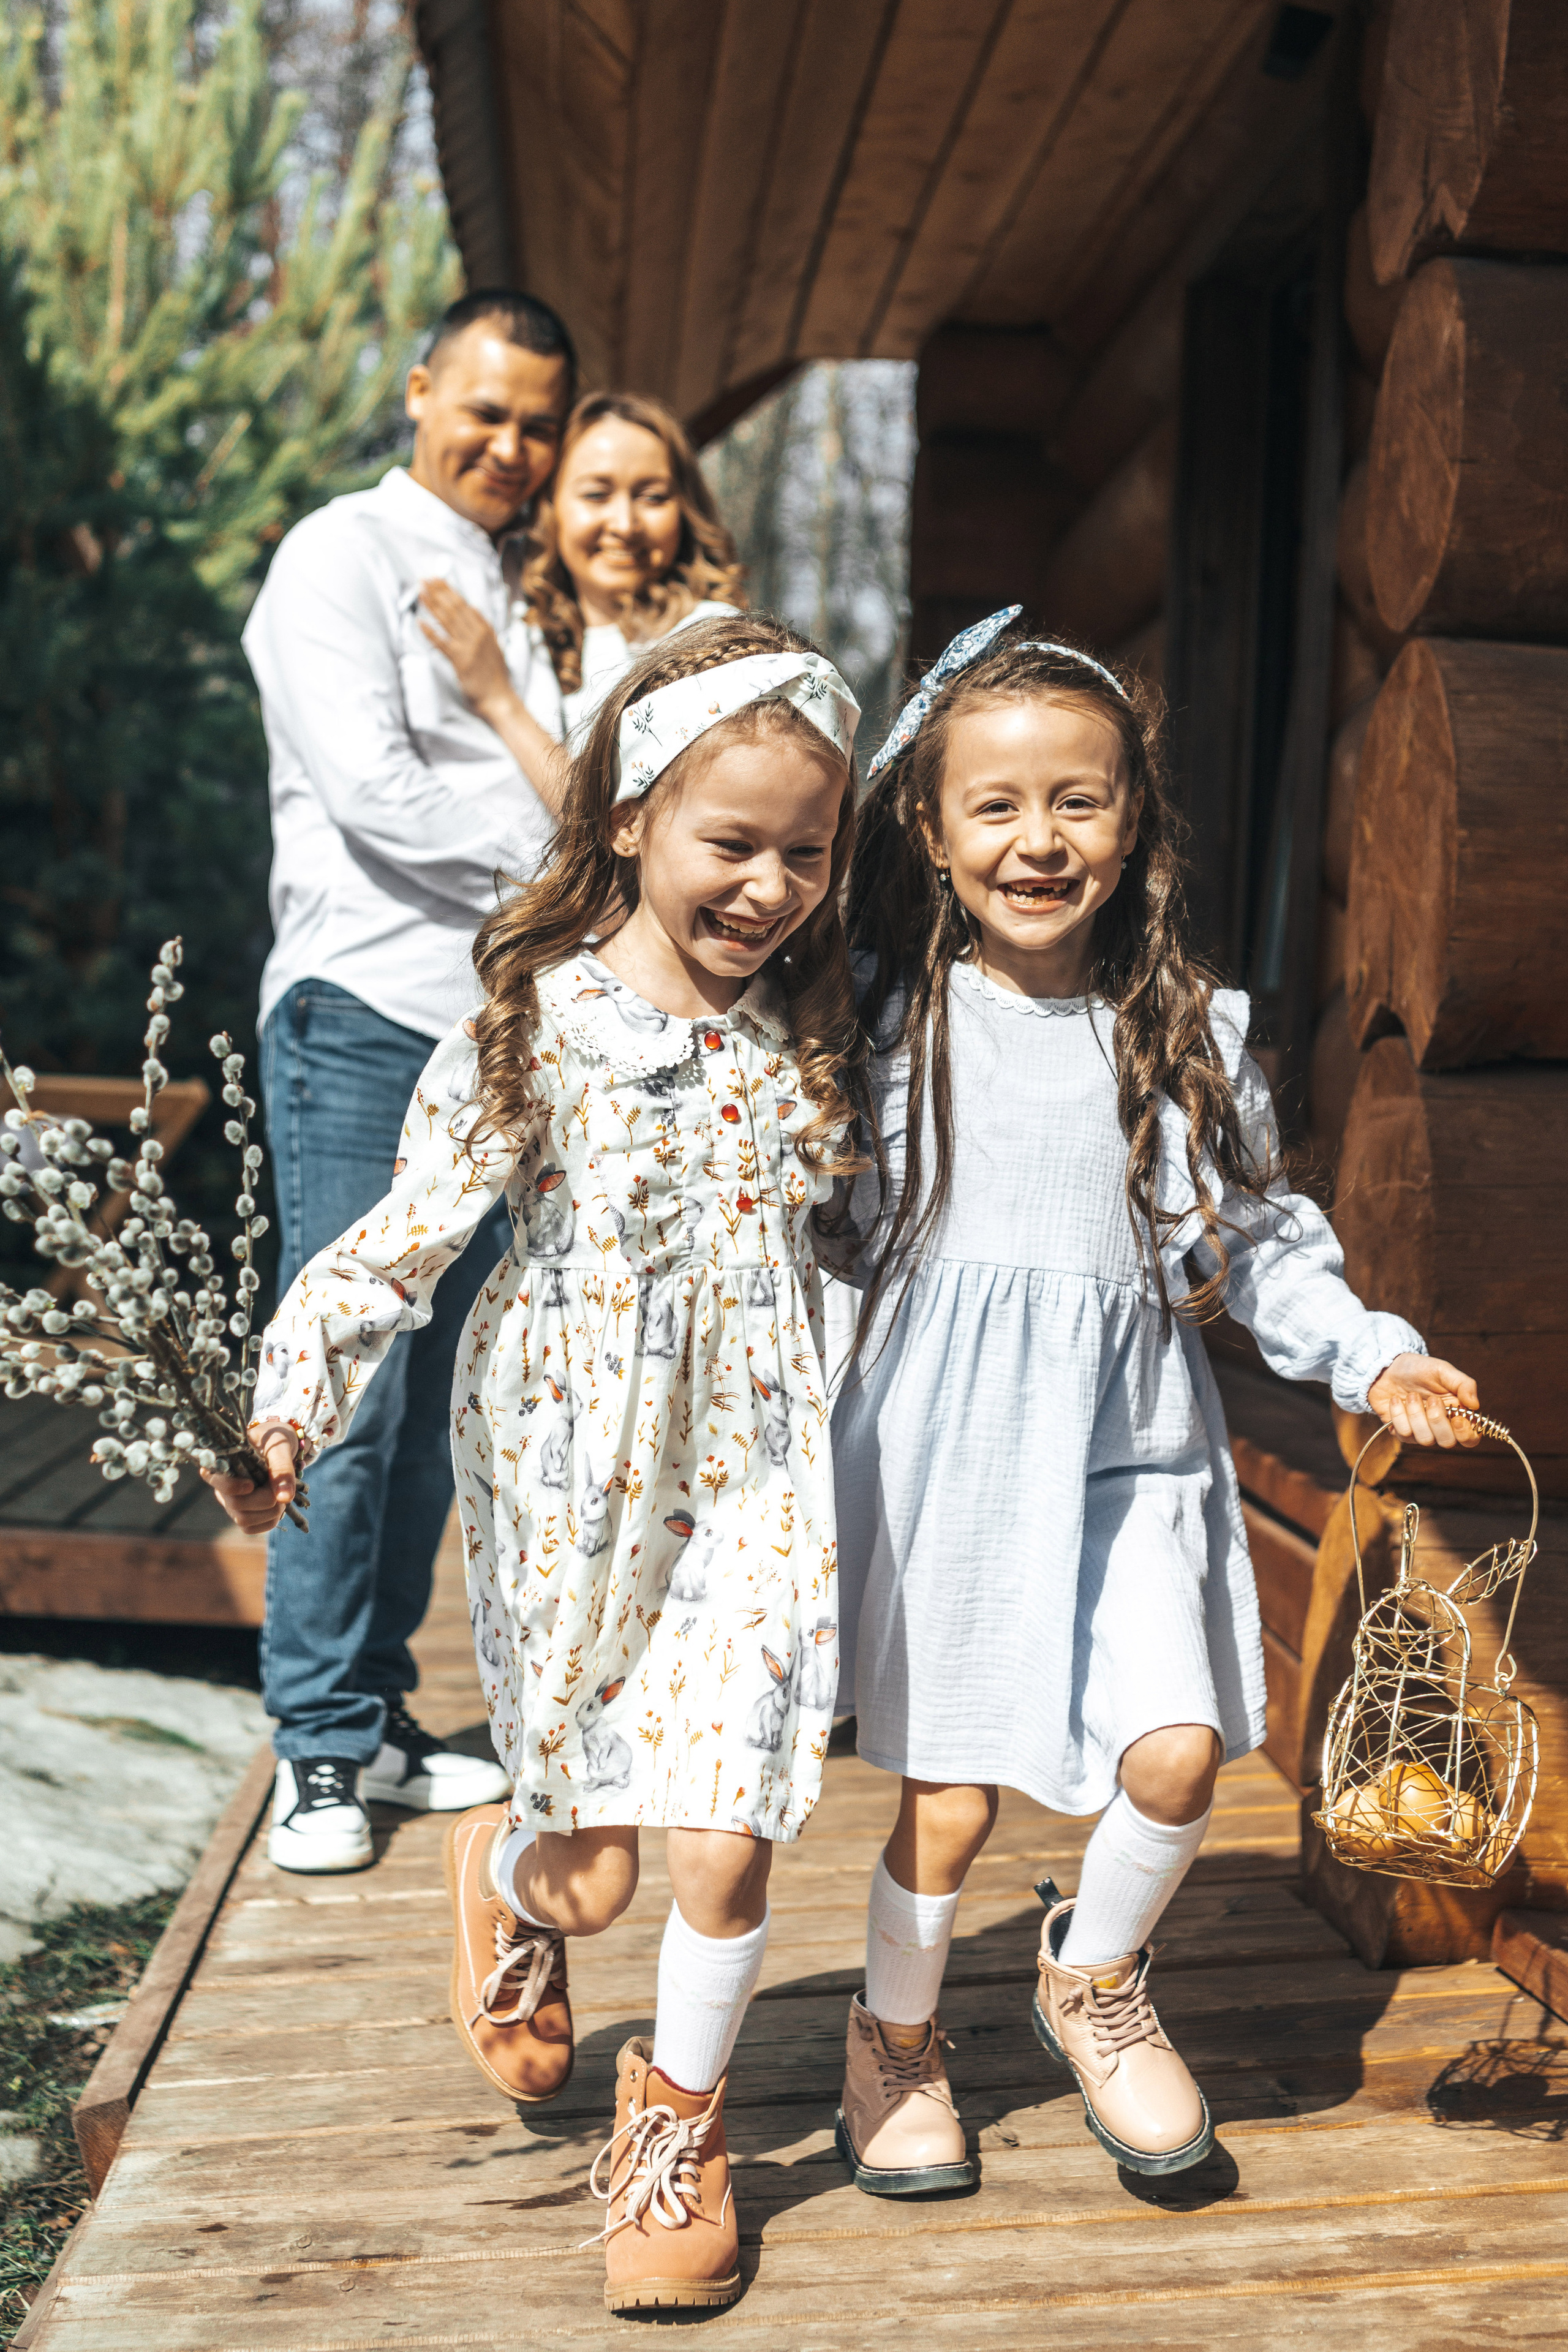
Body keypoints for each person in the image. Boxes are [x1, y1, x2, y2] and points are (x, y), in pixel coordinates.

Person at [206, 612, 864, 2313]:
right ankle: (502, 1878)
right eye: (734, 844)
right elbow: (387, 1251)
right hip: (569, 1471)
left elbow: (867, 1253)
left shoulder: (818, 1041)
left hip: (758, 1468)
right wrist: (285, 1410)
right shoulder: (534, 1024)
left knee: (727, 1835)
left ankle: (680, 2133)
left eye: (809, 850)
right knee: (596, 1868)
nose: (772, 886)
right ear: (634, 817)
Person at [826, 608, 1482, 2192]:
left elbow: (1260, 1236)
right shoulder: (883, 1028)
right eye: (996, 804)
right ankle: (894, 2034)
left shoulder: (1178, 1032)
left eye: (1080, 800)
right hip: (952, 1456)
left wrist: (1365, 1347)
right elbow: (800, 1223)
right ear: (930, 822)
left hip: (1134, 1447)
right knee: (953, 1789)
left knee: (1183, 1752)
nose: (1039, 840)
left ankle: (1093, 1975)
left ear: (1134, 821)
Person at [239, 288, 576, 1873]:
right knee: (344, 1388)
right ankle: (311, 1744)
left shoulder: (515, 590)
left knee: (436, 1401)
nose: (509, 446)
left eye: (537, 424)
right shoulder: (339, 557)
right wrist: (571, 859)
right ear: (421, 387)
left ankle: (374, 1711)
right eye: (486, 409)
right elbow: (374, 795)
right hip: (366, 1014)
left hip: (492, 1039)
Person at [414, 390, 745, 800]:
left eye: (652, 497)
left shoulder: (713, 640)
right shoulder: (531, 636)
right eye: (596, 495)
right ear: (550, 510)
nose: (625, 524)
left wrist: (500, 702)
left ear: (685, 508)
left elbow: (623, 821)